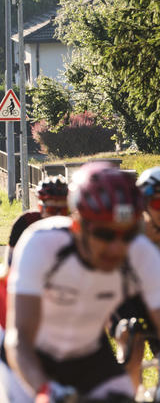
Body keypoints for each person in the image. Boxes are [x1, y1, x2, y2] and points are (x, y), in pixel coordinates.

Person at [5, 163, 160, 402]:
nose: (117, 247)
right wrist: (46, 392)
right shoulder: (42, 244)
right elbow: (20, 339)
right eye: (105, 235)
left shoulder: (141, 252)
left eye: (128, 234)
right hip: (31, 352)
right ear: (78, 226)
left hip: (88, 352)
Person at [0, 175, 68, 403]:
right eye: (52, 208)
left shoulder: (76, 227)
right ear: (40, 205)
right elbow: (10, 263)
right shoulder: (25, 223)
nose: (58, 213)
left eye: (64, 208)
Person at [112, 166, 160, 388]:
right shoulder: (128, 231)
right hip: (127, 296)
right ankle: (130, 391)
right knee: (132, 338)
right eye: (159, 204)